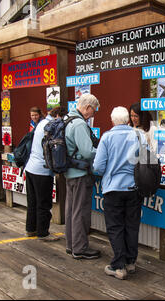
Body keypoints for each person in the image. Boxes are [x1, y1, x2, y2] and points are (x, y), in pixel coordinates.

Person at [93, 106, 146, 280]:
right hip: (134, 188)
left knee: (115, 227)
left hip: (113, 189)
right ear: (128, 120)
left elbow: (99, 167)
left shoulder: (107, 137)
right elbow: (147, 161)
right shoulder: (139, 135)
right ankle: (130, 262)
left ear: (112, 120)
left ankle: (118, 266)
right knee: (132, 225)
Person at [64, 93, 101, 259]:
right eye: (93, 110)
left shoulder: (67, 119)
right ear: (87, 107)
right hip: (80, 173)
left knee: (71, 209)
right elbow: (87, 151)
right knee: (80, 211)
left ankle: (71, 244)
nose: (93, 114)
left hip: (69, 172)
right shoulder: (79, 124)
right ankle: (79, 249)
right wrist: (102, 152)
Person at [25, 106, 68, 240]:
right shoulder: (52, 125)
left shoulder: (41, 123)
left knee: (32, 201)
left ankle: (30, 229)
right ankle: (43, 233)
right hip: (42, 170)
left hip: (31, 167)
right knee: (44, 203)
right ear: (58, 116)